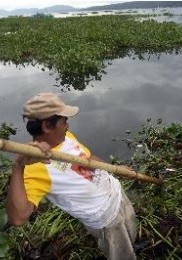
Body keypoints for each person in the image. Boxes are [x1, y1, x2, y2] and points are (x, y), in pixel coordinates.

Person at [7, 92, 137, 260]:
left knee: (131, 230)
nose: (67, 126)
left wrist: (115, 169)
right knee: (123, 255)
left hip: (117, 194)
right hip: (106, 219)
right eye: (64, 121)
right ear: (47, 126)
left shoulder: (65, 137)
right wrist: (18, 167)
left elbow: (88, 159)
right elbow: (17, 219)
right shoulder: (34, 167)